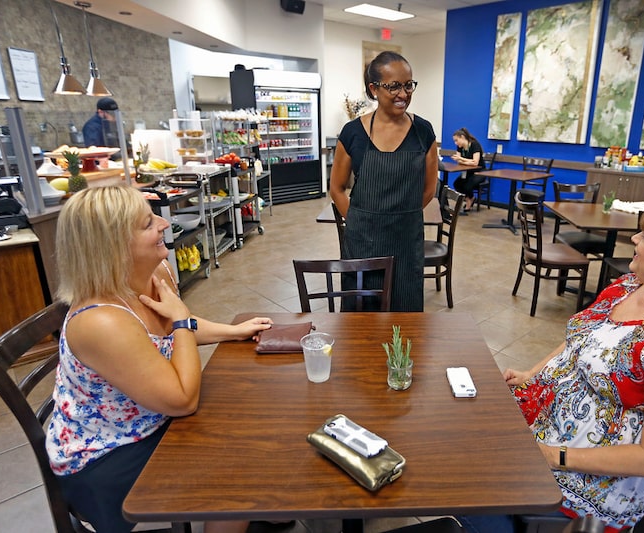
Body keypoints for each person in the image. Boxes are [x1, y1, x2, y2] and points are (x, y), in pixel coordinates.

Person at [459, 194, 644, 532]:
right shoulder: (633, 285)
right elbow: (582, 341)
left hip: (579, 483)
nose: (635, 240)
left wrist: (554, 455)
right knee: (459, 439)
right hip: (540, 428)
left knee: (468, 487)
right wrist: (531, 373)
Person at [45, 186, 273, 533]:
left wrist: (232, 330)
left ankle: (252, 506)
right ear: (113, 246)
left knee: (247, 417)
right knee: (233, 474)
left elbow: (170, 331)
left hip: (149, 417)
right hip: (106, 454)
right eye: (147, 223)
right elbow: (183, 399)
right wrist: (181, 319)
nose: (164, 224)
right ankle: (239, 506)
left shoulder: (155, 275)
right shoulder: (100, 322)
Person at [329, 51, 438, 312]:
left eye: (408, 85)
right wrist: (359, 220)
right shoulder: (353, 133)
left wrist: (402, 215)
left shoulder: (423, 131)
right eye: (394, 86)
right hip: (363, 243)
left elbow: (428, 189)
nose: (403, 94)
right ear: (373, 89)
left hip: (406, 240)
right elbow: (337, 188)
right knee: (361, 315)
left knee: (405, 312)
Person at [450, 127, 484, 211]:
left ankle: (469, 201)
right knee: (456, 184)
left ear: (462, 137)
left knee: (467, 186)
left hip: (479, 172)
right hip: (467, 171)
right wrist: (466, 161)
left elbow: (475, 162)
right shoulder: (460, 147)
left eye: (456, 140)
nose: (455, 143)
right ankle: (470, 198)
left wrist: (462, 159)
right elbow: (459, 161)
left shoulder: (474, 145)